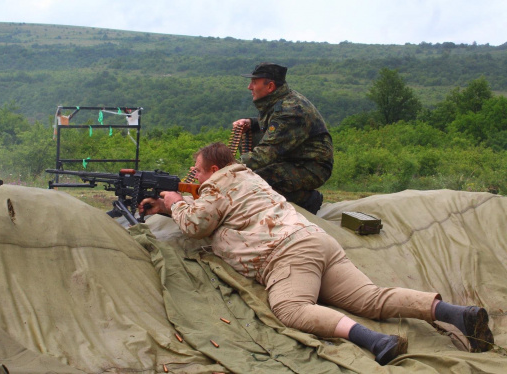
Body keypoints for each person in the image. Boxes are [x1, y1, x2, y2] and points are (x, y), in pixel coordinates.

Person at [139, 142, 494, 366]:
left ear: (213, 171)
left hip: (285, 255)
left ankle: (375, 341)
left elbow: (196, 226)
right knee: (371, 298)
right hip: (315, 241)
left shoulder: (215, 187)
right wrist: (173, 205)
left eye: (197, 171)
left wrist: (177, 202)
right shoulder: (248, 177)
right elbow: (224, 211)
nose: (194, 177)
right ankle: (457, 314)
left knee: (290, 309)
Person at [233, 62, 333, 214]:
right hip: (294, 157)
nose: (249, 87)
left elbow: (266, 153)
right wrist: (251, 123)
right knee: (249, 171)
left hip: (311, 166)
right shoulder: (278, 101)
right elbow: (273, 124)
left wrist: (228, 168)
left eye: (254, 82)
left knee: (254, 182)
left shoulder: (291, 110)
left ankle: (306, 200)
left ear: (270, 86)